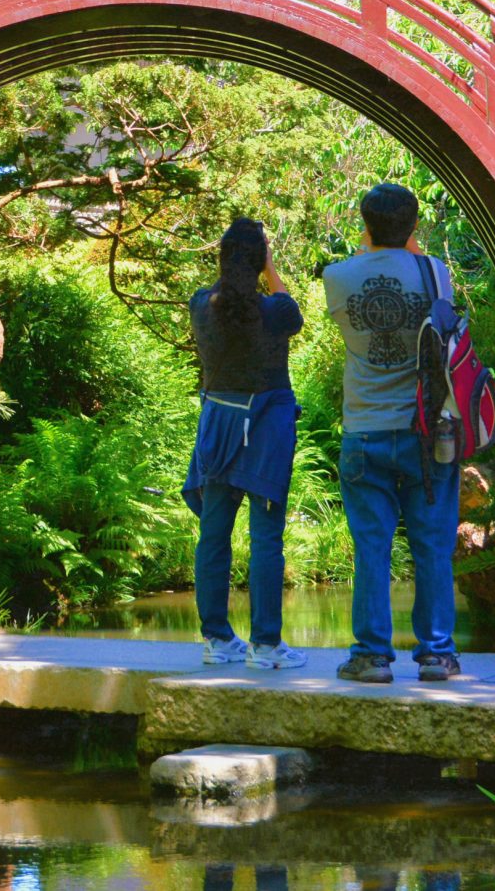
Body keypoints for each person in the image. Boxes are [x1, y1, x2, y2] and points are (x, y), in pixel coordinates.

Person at [321, 183, 463, 684]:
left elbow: (368, 258)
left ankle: (372, 656)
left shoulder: (336, 277)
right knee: (431, 545)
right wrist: (408, 247)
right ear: (415, 227)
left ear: (364, 223)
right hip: (428, 432)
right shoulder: (434, 272)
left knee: (373, 548)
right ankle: (436, 654)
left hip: (365, 431)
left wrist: (376, 243)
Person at [185, 218, 307, 670]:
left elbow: (226, 299)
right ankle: (266, 646)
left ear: (221, 258)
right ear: (259, 261)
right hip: (267, 432)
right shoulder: (276, 312)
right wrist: (270, 267)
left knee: (213, 535)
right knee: (266, 539)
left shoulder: (200, 305)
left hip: (219, 426)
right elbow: (288, 306)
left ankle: (216, 639)